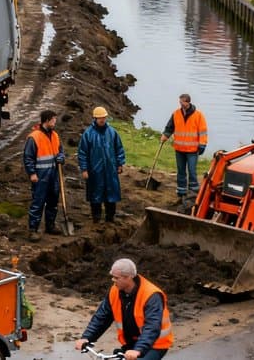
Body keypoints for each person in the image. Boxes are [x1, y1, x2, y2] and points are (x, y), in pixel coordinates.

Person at [74, 258, 173, 360]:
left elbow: (152, 327)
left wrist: (138, 349)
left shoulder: (151, 295)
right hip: (132, 343)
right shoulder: (115, 291)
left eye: (116, 278)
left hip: (155, 345)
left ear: (129, 277)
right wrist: (86, 337)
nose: (113, 280)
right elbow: (101, 317)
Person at [78, 106, 126, 224]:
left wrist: (120, 164)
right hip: (95, 170)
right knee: (96, 194)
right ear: (95, 118)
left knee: (111, 194)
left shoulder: (112, 132)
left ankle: (110, 217)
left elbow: (119, 149)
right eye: (100, 118)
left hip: (110, 170)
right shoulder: (88, 134)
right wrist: (84, 169)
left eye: (104, 117)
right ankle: (96, 218)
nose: (102, 120)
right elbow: (82, 153)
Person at [160, 94, 208, 211]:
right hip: (179, 149)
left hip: (192, 150)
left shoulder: (198, 115)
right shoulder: (176, 113)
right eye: (180, 102)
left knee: (192, 171)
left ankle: (193, 193)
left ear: (188, 102)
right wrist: (165, 135)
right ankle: (181, 192)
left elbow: (203, 131)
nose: (181, 104)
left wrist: (202, 145)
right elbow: (170, 127)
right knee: (181, 171)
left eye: (182, 102)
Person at [23, 109, 65, 241]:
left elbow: (60, 151)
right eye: (53, 120)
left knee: (53, 201)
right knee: (38, 202)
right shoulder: (34, 137)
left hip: (53, 174)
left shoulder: (55, 136)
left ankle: (50, 225)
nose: (55, 122)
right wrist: (32, 173)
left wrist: (61, 158)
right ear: (47, 120)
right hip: (40, 176)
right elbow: (28, 157)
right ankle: (33, 229)